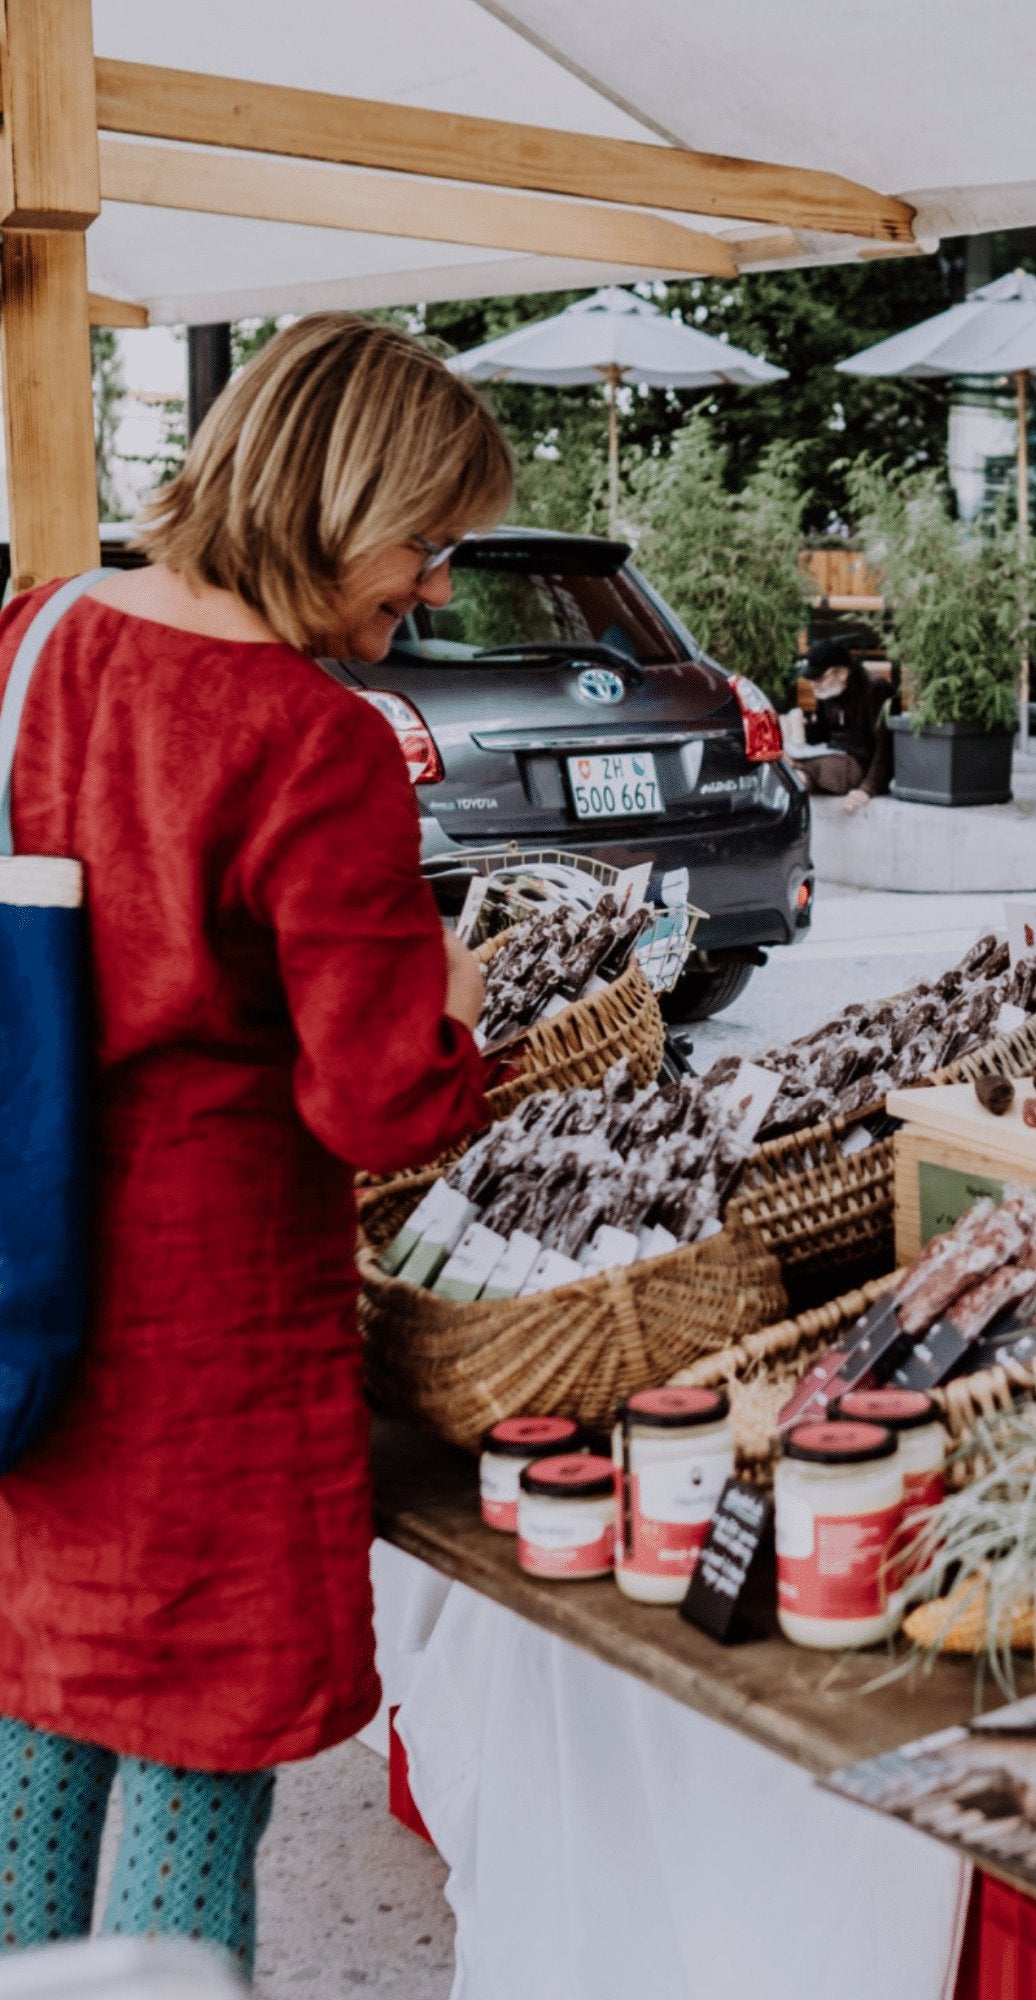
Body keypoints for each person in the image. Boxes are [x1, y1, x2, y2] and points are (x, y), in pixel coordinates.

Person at [0, 315, 513, 1973]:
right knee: (197, 1754)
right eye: (426, 542)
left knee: (34, 1702)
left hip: (21, 1286)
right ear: (332, 497)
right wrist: (448, 1007)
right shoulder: (311, 740)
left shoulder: (31, 635)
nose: (433, 586)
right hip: (205, 1342)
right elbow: (377, 1105)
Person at [793, 635, 893, 812]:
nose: (814, 686)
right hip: (833, 754)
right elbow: (821, 733)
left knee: (818, 769)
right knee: (789, 760)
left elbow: (885, 744)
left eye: (819, 679)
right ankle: (797, 777)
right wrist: (798, 728)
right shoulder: (828, 690)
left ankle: (798, 778)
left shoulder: (873, 689)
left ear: (842, 673)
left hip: (860, 763)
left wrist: (867, 789)